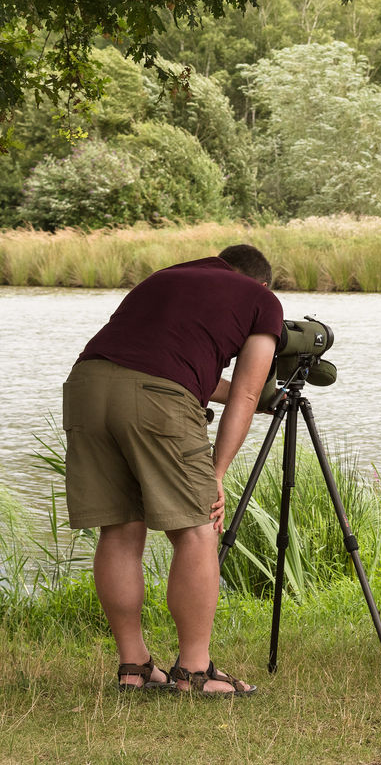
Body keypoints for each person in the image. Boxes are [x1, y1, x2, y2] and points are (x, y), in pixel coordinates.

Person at [63, 245, 282, 695]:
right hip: (156, 398)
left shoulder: (165, 278)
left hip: (86, 386)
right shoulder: (262, 300)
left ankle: (135, 667)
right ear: (261, 283)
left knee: (120, 529)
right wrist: (216, 474)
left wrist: (257, 395)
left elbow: (171, 363)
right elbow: (243, 394)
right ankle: (196, 673)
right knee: (198, 529)